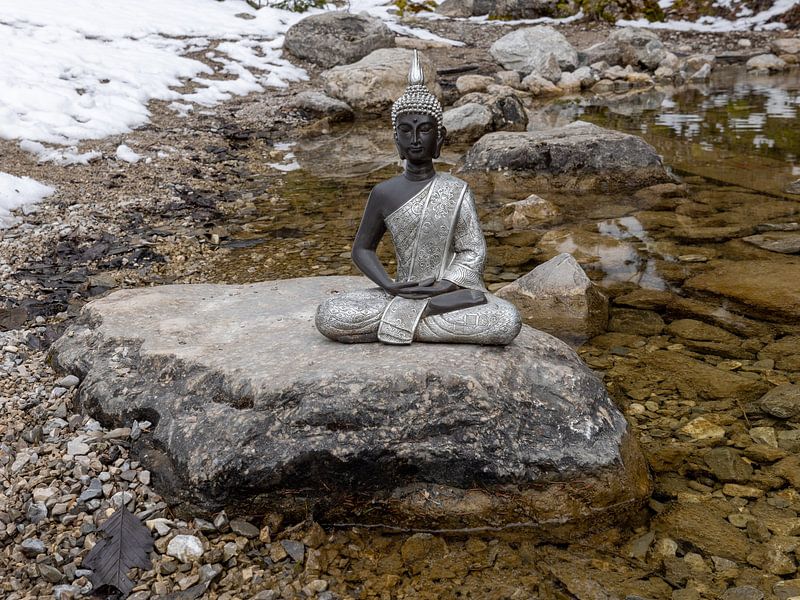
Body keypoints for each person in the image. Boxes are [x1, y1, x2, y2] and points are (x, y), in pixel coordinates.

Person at [315, 51, 521, 345]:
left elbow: (472, 252)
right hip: (402, 291)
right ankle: (419, 319)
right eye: (406, 131)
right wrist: (390, 285)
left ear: (440, 138)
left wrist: (441, 288)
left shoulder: (456, 189)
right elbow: (362, 249)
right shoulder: (383, 192)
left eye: (424, 130)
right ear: (396, 139)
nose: (414, 139)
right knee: (331, 314)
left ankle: (406, 319)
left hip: (449, 293)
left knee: (506, 319)